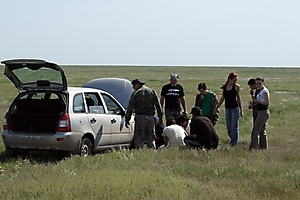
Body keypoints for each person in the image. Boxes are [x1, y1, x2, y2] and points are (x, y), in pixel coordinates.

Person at [125, 78, 163, 149]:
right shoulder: (151, 92)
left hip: (140, 117)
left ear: (137, 84)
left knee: (139, 135)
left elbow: (130, 108)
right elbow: (158, 105)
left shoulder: (135, 94)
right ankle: (152, 149)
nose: (133, 87)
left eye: (134, 85)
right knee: (151, 135)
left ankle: (139, 149)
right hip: (151, 117)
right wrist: (160, 117)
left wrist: (127, 119)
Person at [213, 72, 243, 146]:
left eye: (236, 80)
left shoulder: (236, 87)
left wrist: (241, 109)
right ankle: (232, 139)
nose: (235, 82)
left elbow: (239, 98)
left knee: (234, 126)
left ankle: (234, 143)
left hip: (235, 108)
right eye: (234, 80)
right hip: (228, 109)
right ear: (230, 79)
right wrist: (216, 108)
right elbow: (222, 98)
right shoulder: (225, 87)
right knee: (229, 126)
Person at [249, 77, 270, 150]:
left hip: (263, 112)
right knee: (262, 131)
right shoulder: (259, 91)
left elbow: (267, 102)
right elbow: (256, 101)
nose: (258, 85)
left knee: (255, 131)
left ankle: (253, 147)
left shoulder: (264, 91)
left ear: (263, 83)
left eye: (260, 83)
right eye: (257, 84)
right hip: (259, 112)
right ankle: (263, 147)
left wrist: (259, 102)